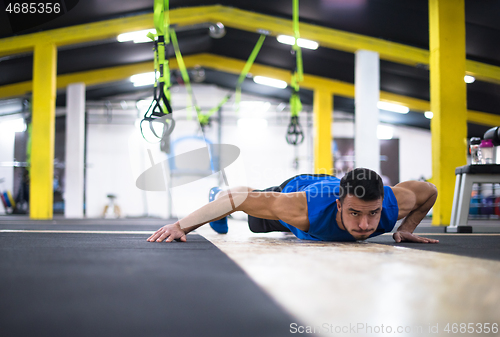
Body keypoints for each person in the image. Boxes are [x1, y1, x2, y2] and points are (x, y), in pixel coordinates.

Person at [147, 168, 439, 244]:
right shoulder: (298, 209)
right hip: (300, 187)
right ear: (339, 205)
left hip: (330, 185)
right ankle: (216, 192)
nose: (365, 225)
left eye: (372, 213)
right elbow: (239, 202)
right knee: (251, 203)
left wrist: (407, 228)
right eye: (354, 213)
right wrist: (179, 226)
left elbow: (430, 191)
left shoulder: (393, 204)